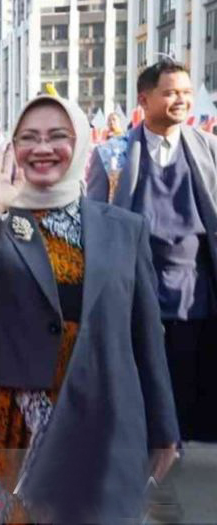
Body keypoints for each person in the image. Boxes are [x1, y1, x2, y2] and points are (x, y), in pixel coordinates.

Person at [0, 94, 179, 523]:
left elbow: (146, 335)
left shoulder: (123, 228)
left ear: (80, 145)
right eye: (29, 138)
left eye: (58, 136)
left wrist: (164, 426)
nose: (43, 148)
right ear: (14, 148)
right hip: (4, 420)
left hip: (97, 412)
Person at [88, 58, 217, 520]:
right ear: (144, 100)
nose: (181, 100)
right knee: (143, 398)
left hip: (196, 297)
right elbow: (95, 225)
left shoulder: (208, 149)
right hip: (137, 299)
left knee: (193, 395)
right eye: (170, 92)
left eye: (186, 92)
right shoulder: (113, 156)